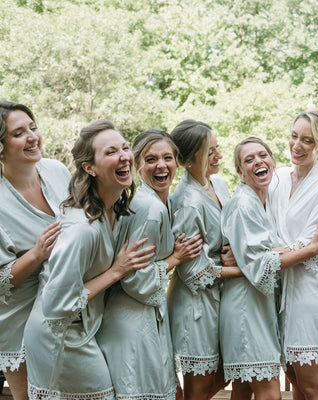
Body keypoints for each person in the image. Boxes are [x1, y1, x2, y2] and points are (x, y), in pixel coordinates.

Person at [23, 119, 156, 399]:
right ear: (89, 167)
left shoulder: (112, 211)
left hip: (81, 329)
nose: (123, 156)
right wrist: (116, 271)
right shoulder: (82, 229)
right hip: (58, 336)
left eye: (124, 148)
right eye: (110, 152)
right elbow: (58, 305)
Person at [220, 137, 318, 400]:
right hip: (244, 307)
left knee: (243, 389)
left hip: (259, 304)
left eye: (263, 155)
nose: (258, 161)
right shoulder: (243, 204)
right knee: (270, 394)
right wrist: (311, 250)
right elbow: (261, 265)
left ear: (272, 160)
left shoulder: (266, 200)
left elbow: (265, 251)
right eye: (249, 159)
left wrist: (250, 257)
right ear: (239, 171)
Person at [96, 129, 204, 400]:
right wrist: (175, 259)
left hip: (142, 319)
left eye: (167, 157)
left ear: (177, 161)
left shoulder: (154, 202)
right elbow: (134, 279)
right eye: (151, 159)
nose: (161, 165)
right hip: (132, 323)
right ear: (137, 164)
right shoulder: (150, 209)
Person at [0, 101, 71, 400]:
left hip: (68, 309)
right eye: (19, 133)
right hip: (20, 321)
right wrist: (37, 254)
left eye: (33, 127)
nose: (32, 137)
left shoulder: (56, 171)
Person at [270, 109, 318, 399]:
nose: (297, 146)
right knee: (294, 378)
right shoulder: (277, 179)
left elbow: (312, 242)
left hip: (308, 292)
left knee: (311, 384)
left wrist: (265, 255)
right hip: (276, 289)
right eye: (294, 136)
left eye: (307, 141)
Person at [168, 120, 240, 400]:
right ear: (188, 160)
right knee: (198, 388)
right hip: (195, 306)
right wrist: (241, 270)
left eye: (217, 148)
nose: (219, 156)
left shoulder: (218, 183)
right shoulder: (188, 202)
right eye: (211, 152)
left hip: (220, 297)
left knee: (229, 368)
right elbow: (193, 272)